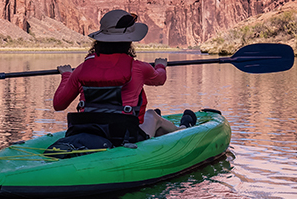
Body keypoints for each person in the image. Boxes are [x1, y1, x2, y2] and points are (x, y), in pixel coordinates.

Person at [52, 9, 192, 140]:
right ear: (129, 41)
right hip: (124, 137)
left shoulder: (81, 69)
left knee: (151, 116)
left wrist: (67, 76)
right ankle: (184, 129)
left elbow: (59, 104)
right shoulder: (139, 68)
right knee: (152, 115)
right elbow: (160, 79)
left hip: (89, 130)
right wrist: (161, 65)